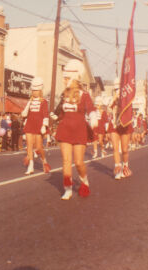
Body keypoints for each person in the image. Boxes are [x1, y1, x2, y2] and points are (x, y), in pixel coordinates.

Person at [52, 60, 97, 200]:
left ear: (74, 78)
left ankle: (84, 181)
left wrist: (93, 117)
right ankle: (68, 188)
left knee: (78, 162)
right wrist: (50, 118)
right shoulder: (64, 94)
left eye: (66, 78)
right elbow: (59, 112)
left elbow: (91, 109)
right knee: (66, 160)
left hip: (79, 130)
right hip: (65, 129)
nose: (64, 81)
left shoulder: (84, 95)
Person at [21, 77, 51, 175]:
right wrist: (24, 113)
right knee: (29, 146)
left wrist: (44, 125)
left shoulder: (44, 102)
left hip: (39, 125)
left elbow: (45, 114)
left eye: (36, 90)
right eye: (33, 90)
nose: (34, 92)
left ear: (40, 90)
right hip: (30, 124)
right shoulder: (30, 101)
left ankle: (44, 161)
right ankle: (31, 166)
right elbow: (25, 114)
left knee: (38, 147)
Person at [108, 77, 133, 180]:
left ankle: (125, 166)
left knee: (124, 149)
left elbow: (129, 110)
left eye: (119, 89)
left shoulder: (128, 99)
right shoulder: (112, 98)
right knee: (115, 148)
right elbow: (108, 108)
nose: (117, 91)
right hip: (114, 125)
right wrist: (114, 99)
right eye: (116, 89)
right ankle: (117, 168)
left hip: (125, 125)